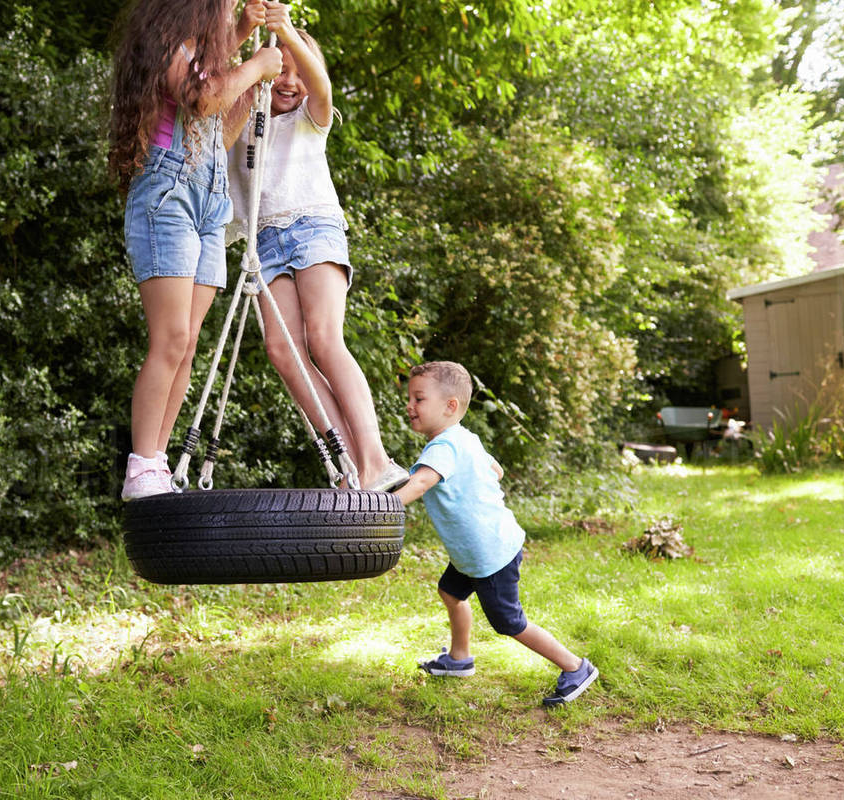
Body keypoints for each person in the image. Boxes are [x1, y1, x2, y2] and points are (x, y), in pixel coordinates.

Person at [224, 2, 408, 492]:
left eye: (298, 69)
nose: (289, 80)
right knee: (283, 351)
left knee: (324, 339)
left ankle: (375, 459)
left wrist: (285, 31)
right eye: (278, 68)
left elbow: (320, 87)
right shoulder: (241, 122)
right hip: (263, 242)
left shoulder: (312, 117)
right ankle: (349, 464)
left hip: (312, 228)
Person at [110, 0, 283, 500]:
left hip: (211, 201)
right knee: (170, 337)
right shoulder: (168, 42)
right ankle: (140, 464)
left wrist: (249, 74)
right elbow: (201, 99)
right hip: (168, 195)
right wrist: (253, 66)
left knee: (187, 343)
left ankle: (155, 464)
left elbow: (218, 133)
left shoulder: (208, 52)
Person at [394, 361, 599, 707]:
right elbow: (496, 469)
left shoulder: (442, 448)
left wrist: (381, 506)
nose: (409, 406)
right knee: (450, 591)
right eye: (410, 398)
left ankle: (576, 667)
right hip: (475, 551)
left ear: (450, 406)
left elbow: (423, 481)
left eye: (419, 398)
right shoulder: (465, 438)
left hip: (488, 556)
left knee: (509, 622)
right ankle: (459, 659)